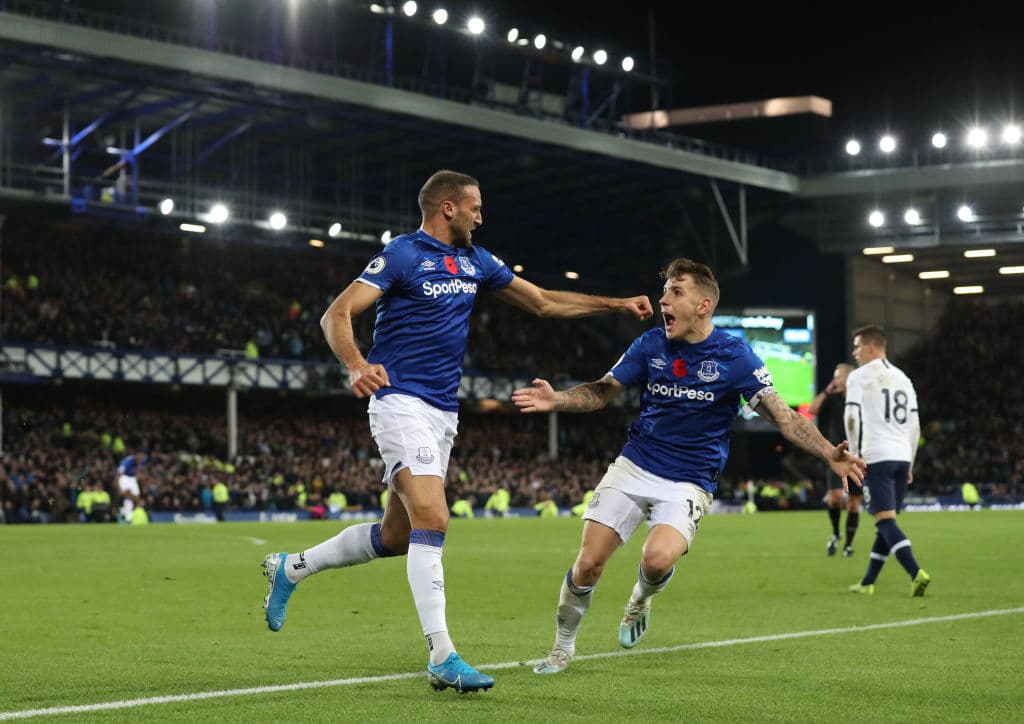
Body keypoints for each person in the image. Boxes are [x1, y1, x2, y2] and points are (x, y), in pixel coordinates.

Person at [260, 169, 653, 693]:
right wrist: (356, 364)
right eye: (476, 207)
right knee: (434, 517)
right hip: (400, 401)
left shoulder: (476, 261)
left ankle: (291, 568)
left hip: (444, 414)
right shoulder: (403, 255)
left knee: (397, 537)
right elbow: (337, 314)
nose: (481, 217)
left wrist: (615, 304)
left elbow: (542, 302)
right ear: (448, 207)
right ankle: (442, 655)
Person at [512, 258, 865, 675]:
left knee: (656, 560)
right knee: (588, 563)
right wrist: (558, 399)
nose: (664, 300)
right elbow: (603, 391)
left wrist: (829, 453)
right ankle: (561, 648)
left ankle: (640, 599)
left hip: (690, 479)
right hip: (635, 464)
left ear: (703, 305)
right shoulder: (650, 345)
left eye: (676, 293)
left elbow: (784, 417)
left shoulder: (735, 356)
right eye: (665, 292)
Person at [845, 325, 931, 597]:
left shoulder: (859, 376)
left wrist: (853, 454)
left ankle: (916, 573)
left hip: (876, 457)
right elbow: (915, 426)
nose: (855, 352)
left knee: (884, 522)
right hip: (902, 456)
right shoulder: (904, 378)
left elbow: (851, 417)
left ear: (871, 347)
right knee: (886, 521)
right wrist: (911, 462)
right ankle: (867, 582)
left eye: (858, 346)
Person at [809, 362, 862, 556]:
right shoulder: (833, 399)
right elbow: (813, 409)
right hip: (837, 456)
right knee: (835, 498)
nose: (835, 380)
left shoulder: (861, 399)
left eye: (838, 376)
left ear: (849, 378)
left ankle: (848, 545)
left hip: (858, 456)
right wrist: (827, 390)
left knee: (853, 503)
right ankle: (836, 533)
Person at [114, 451, 145, 521]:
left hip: (132, 478)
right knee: (126, 494)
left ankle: (122, 512)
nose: (141, 459)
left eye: (142, 458)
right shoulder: (127, 461)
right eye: (140, 458)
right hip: (124, 477)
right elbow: (119, 472)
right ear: (136, 456)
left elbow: (138, 469)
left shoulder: (141, 461)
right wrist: (118, 484)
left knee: (136, 497)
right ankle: (127, 516)